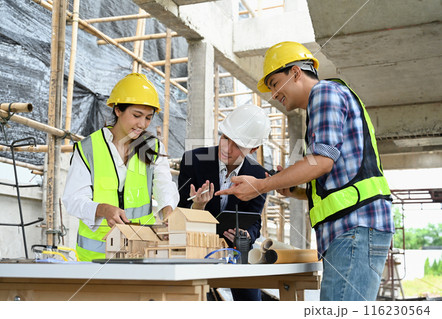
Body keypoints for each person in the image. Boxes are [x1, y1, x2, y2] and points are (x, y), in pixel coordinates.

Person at [216, 42, 394, 301]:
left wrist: (262, 185)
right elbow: (332, 179)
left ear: (296, 73)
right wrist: (294, 188)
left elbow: (322, 161)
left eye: (275, 83)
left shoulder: (324, 93)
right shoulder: (323, 104)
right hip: (352, 229)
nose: (274, 94)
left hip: (354, 228)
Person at [63, 73, 179, 262]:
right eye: (136, 115)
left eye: (149, 118)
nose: (142, 124)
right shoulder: (88, 149)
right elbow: (73, 199)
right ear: (118, 110)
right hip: (93, 260)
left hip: (140, 253)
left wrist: (168, 211)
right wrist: (103, 209)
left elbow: (164, 185)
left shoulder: (153, 147)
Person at [177, 104, 271, 301]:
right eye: (225, 138)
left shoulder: (258, 176)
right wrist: (198, 207)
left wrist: (246, 235)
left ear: (253, 149)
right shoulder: (193, 160)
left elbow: (254, 222)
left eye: (237, 145)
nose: (227, 148)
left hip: (235, 249)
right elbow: (180, 213)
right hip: (198, 248)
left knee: (250, 300)